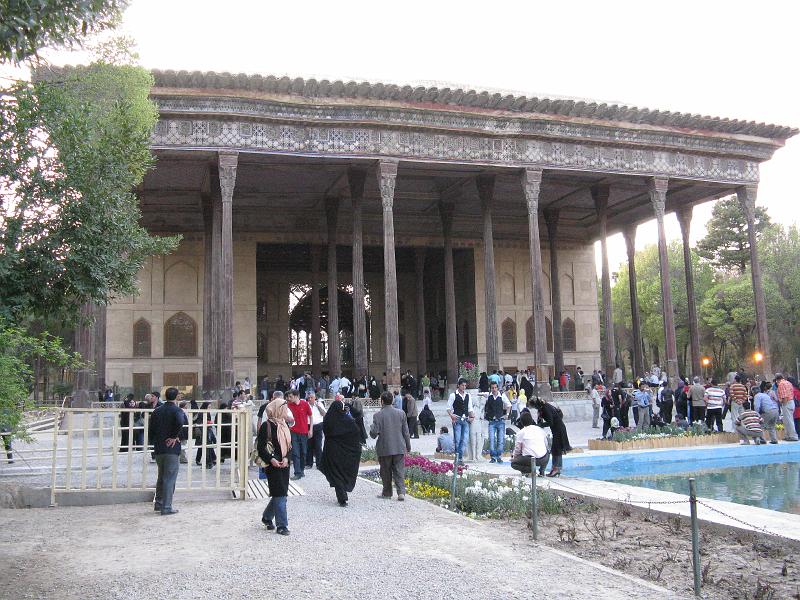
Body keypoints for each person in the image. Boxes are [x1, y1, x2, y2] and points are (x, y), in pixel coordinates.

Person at [257, 397, 293, 535]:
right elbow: (261, 448)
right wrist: (271, 459)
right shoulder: (266, 426)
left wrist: (287, 458)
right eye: (284, 408)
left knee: (280, 493)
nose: (286, 411)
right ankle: (282, 525)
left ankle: (267, 517)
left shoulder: (284, 424)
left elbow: (290, 446)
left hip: (284, 464)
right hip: (272, 465)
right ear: (277, 410)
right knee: (280, 494)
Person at [148, 387, 186, 515]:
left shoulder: (157, 411)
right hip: (171, 448)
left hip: (159, 448)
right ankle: (166, 506)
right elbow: (180, 422)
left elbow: (151, 429)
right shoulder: (177, 410)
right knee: (169, 478)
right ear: (177, 397)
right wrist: (174, 436)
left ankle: (159, 503)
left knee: (161, 476)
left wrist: (154, 442)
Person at [319, 397, 362, 506]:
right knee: (342, 472)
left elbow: (326, 432)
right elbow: (356, 432)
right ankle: (343, 493)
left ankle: (341, 496)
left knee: (335, 473)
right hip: (345, 452)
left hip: (331, 451)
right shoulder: (347, 421)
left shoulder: (328, 419)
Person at [370, 391, 411, 500]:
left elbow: (373, 434)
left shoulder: (377, 415)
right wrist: (408, 446)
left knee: (385, 471)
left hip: (385, 447)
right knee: (399, 470)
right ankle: (401, 492)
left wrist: (372, 427)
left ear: (382, 401)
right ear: (392, 400)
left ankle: (387, 493)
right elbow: (406, 432)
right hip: (399, 446)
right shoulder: (401, 413)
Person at [532, 398, 571, 477]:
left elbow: (550, 422)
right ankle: (555, 468)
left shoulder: (545, 408)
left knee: (557, 449)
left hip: (559, 430)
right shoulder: (543, 408)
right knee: (554, 449)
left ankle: (557, 469)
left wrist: (540, 425)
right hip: (556, 429)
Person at [511, 412, 551, 476]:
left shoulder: (521, 433)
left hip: (529, 459)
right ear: (532, 420)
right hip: (543, 459)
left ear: (521, 422)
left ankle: (530, 470)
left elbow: (517, 449)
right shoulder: (540, 429)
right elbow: (546, 444)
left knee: (513, 463)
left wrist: (514, 458)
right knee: (547, 452)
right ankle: (542, 470)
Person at [446, 378, 474, 464]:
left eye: (465, 385)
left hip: (465, 419)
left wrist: (472, 417)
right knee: (457, 440)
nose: (464, 387)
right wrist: (451, 416)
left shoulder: (468, 395)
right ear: (458, 385)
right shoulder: (453, 395)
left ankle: (459, 458)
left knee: (464, 440)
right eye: (462, 385)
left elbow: (470, 408)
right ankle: (458, 458)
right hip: (457, 418)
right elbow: (448, 408)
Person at [286, 390, 313, 480]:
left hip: (304, 432)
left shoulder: (305, 404)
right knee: (295, 453)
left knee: (303, 452)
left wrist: (310, 429)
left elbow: (311, 416)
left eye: (291, 396)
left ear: (296, 396)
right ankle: (297, 472)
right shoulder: (289, 405)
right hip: (293, 432)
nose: (289, 398)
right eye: (288, 397)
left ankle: (301, 471)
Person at [484, 381, 510, 463]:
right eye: (492, 388)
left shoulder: (502, 395)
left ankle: (498, 456)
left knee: (500, 439)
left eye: (495, 387)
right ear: (490, 388)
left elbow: (509, 405)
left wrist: (507, 415)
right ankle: (493, 457)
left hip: (500, 420)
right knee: (491, 439)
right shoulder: (489, 396)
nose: (494, 389)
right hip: (492, 421)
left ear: (497, 388)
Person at [775, 373, 800, 442]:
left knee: (789, 420)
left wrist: (782, 403)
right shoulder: (788, 383)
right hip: (792, 402)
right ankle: (788, 435)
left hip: (786, 403)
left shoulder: (781, 384)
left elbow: (784, 396)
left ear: (777, 379)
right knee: (788, 420)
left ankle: (793, 436)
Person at [306, 393, 326, 468]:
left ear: (315, 398)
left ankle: (319, 463)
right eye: (309, 398)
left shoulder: (319, 404)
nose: (310, 399)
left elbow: (324, 414)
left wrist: (318, 406)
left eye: (311, 397)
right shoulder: (306, 404)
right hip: (308, 426)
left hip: (318, 426)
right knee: (309, 445)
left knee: (318, 445)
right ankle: (309, 463)